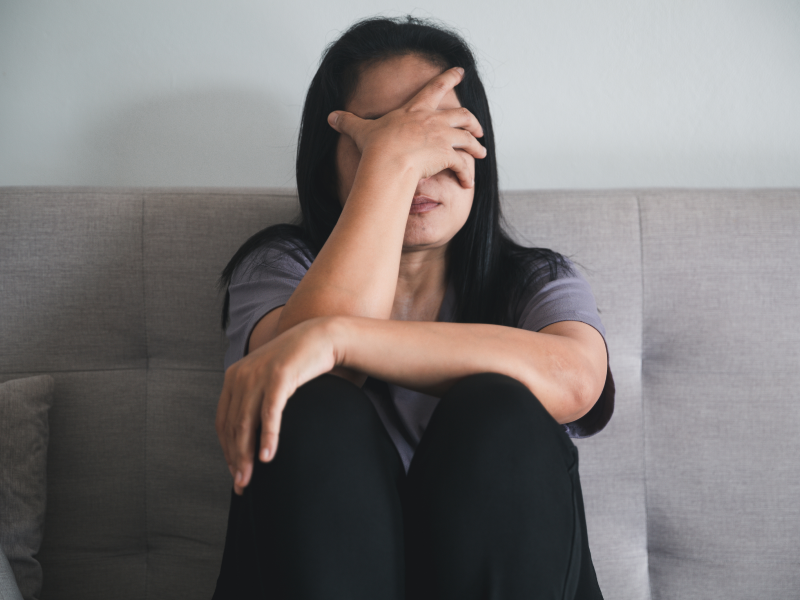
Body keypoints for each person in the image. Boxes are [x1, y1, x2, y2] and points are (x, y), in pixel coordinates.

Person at [212, 15, 615, 600]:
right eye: (383, 134)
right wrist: (391, 166)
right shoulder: (277, 266)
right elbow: (299, 380)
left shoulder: (534, 278)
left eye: (437, 134)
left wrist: (340, 338)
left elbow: (576, 380)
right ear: (330, 161)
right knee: (315, 401)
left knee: (500, 406)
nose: (420, 160)